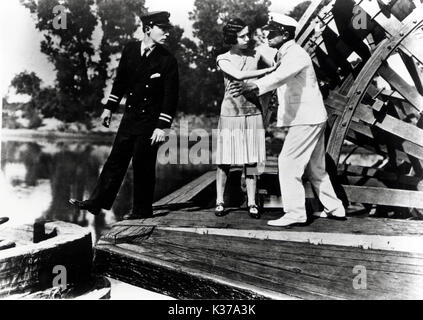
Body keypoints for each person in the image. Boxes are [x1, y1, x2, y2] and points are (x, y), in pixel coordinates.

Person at [230, 12, 346, 227]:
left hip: (306, 119)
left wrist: (255, 85)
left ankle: (295, 213)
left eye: (271, 31)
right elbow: (268, 60)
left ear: (283, 34)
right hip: (312, 117)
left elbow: (278, 77)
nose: (267, 35)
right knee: (316, 168)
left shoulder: (295, 55)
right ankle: (335, 208)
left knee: (288, 163)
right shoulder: (286, 52)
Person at [69, 11, 179, 219]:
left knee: (143, 164)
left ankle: (142, 210)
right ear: (148, 29)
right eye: (162, 29)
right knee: (115, 160)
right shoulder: (130, 50)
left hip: (150, 122)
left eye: (167, 30)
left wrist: (162, 127)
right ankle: (97, 202)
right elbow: (120, 82)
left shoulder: (168, 60)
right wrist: (109, 107)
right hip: (130, 118)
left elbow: (171, 97)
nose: (167, 34)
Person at [214, 18, 279, 219]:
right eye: (242, 36)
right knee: (225, 161)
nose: (247, 39)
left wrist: (272, 64)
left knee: (250, 160)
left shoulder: (256, 53)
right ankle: (219, 201)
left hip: (253, 112)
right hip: (230, 113)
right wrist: (267, 71)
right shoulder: (222, 58)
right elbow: (238, 76)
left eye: (248, 34)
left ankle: (251, 202)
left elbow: (278, 63)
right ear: (231, 38)